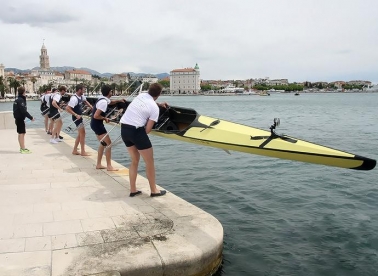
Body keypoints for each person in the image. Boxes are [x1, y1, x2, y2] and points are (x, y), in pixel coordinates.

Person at [120, 83, 168, 197]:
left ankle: (133, 190)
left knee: (134, 161)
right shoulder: (154, 108)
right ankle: (154, 190)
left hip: (124, 129)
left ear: (149, 90)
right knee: (149, 162)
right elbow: (147, 130)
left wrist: (159, 104)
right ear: (159, 94)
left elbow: (146, 104)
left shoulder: (141, 95)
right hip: (136, 131)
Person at [90, 85, 125, 171]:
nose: (112, 93)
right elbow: (96, 115)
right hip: (97, 124)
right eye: (111, 92)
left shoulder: (102, 99)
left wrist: (118, 100)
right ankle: (109, 166)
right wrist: (105, 118)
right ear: (109, 92)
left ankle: (98, 164)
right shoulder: (103, 103)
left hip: (95, 124)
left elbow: (110, 102)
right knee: (108, 144)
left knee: (103, 144)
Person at [65, 84, 93, 155]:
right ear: (79, 90)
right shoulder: (74, 98)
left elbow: (85, 101)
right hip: (76, 118)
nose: (84, 91)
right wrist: (76, 115)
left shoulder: (81, 96)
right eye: (83, 89)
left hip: (80, 117)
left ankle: (75, 150)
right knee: (83, 133)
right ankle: (83, 151)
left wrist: (91, 107)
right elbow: (67, 108)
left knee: (80, 134)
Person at [13, 86, 35, 154]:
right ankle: (23, 148)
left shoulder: (18, 99)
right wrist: (31, 117)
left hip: (18, 118)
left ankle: (22, 147)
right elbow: (23, 111)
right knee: (22, 133)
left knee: (21, 133)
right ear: (23, 92)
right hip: (19, 119)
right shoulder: (20, 100)